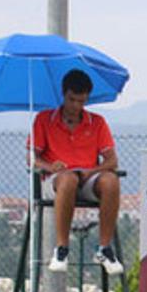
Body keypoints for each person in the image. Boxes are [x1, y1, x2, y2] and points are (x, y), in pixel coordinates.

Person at [30, 69, 124, 275]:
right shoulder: (44, 120)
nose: (76, 106)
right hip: (56, 180)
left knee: (111, 180)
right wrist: (50, 166)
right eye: (72, 100)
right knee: (68, 180)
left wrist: (91, 172)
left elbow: (112, 161)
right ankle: (62, 248)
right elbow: (32, 159)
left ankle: (104, 248)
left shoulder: (97, 122)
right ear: (63, 94)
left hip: (87, 178)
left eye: (81, 101)